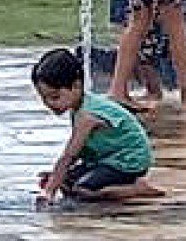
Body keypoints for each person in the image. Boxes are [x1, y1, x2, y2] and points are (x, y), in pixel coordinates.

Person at [32, 47, 162, 205]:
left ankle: (136, 189)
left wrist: (49, 190)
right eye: (44, 98)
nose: (49, 104)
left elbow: (69, 156)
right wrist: (57, 177)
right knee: (67, 185)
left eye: (54, 97)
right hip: (107, 159)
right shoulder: (78, 107)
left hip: (128, 162)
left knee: (83, 191)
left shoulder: (87, 115)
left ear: (76, 86)